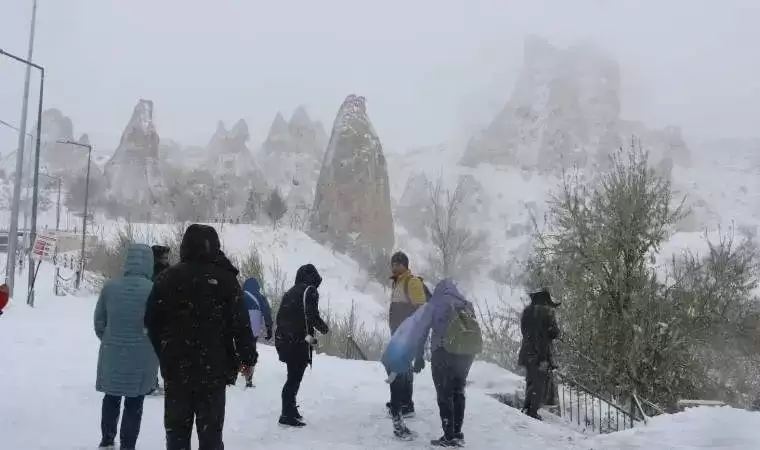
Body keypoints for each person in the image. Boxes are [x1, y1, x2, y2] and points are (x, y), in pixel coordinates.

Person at [145, 224, 257, 450]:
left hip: (177, 370)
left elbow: (151, 322)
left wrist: (164, 353)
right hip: (213, 372)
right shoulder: (226, 280)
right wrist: (248, 359)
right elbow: (241, 325)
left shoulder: (168, 278)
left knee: (177, 434)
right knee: (211, 436)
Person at [94, 244, 158, 450]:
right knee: (134, 402)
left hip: (113, 354)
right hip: (142, 356)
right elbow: (160, 325)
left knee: (111, 398)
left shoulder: (110, 287)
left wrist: (110, 339)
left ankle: (107, 440)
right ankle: (128, 445)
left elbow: (99, 322)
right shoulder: (154, 290)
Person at [411, 278, 481, 446]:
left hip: (443, 352)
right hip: (466, 354)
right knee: (458, 391)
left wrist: (419, 357)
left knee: (444, 393)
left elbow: (421, 332)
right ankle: (457, 432)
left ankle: (448, 435)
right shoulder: (466, 304)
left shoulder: (434, 305)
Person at [274, 264, 329, 427]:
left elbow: (284, 316)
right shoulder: (310, 290)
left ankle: (290, 410)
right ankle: (286, 414)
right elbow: (311, 316)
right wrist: (323, 328)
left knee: (292, 377)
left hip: (287, 340)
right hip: (298, 342)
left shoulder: (291, 291)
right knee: (294, 379)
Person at [386, 251, 429, 421]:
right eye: (393, 263)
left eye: (398, 263)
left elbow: (421, 309)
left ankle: (405, 404)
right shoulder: (397, 282)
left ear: (405, 265)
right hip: (398, 333)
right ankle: (402, 401)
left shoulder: (412, 282)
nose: (394, 266)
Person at [517, 288, 560, 421]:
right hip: (541, 353)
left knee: (531, 380)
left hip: (527, 351)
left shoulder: (526, 312)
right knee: (539, 383)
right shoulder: (548, 312)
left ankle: (527, 407)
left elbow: (524, 331)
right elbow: (554, 332)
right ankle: (532, 411)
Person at [241, 277, 274, 388]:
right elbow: (267, 313)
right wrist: (269, 329)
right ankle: (248, 380)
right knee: (251, 348)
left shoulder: (240, 295)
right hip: (254, 320)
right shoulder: (260, 297)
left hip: (241, 320)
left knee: (239, 346)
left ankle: (235, 371)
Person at [148, 244, 171, 396]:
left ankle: (153, 380)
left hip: (154, 317)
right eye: (164, 256)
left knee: (154, 352)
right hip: (162, 317)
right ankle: (160, 380)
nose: (166, 259)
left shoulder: (151, 271)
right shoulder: (166, 272)